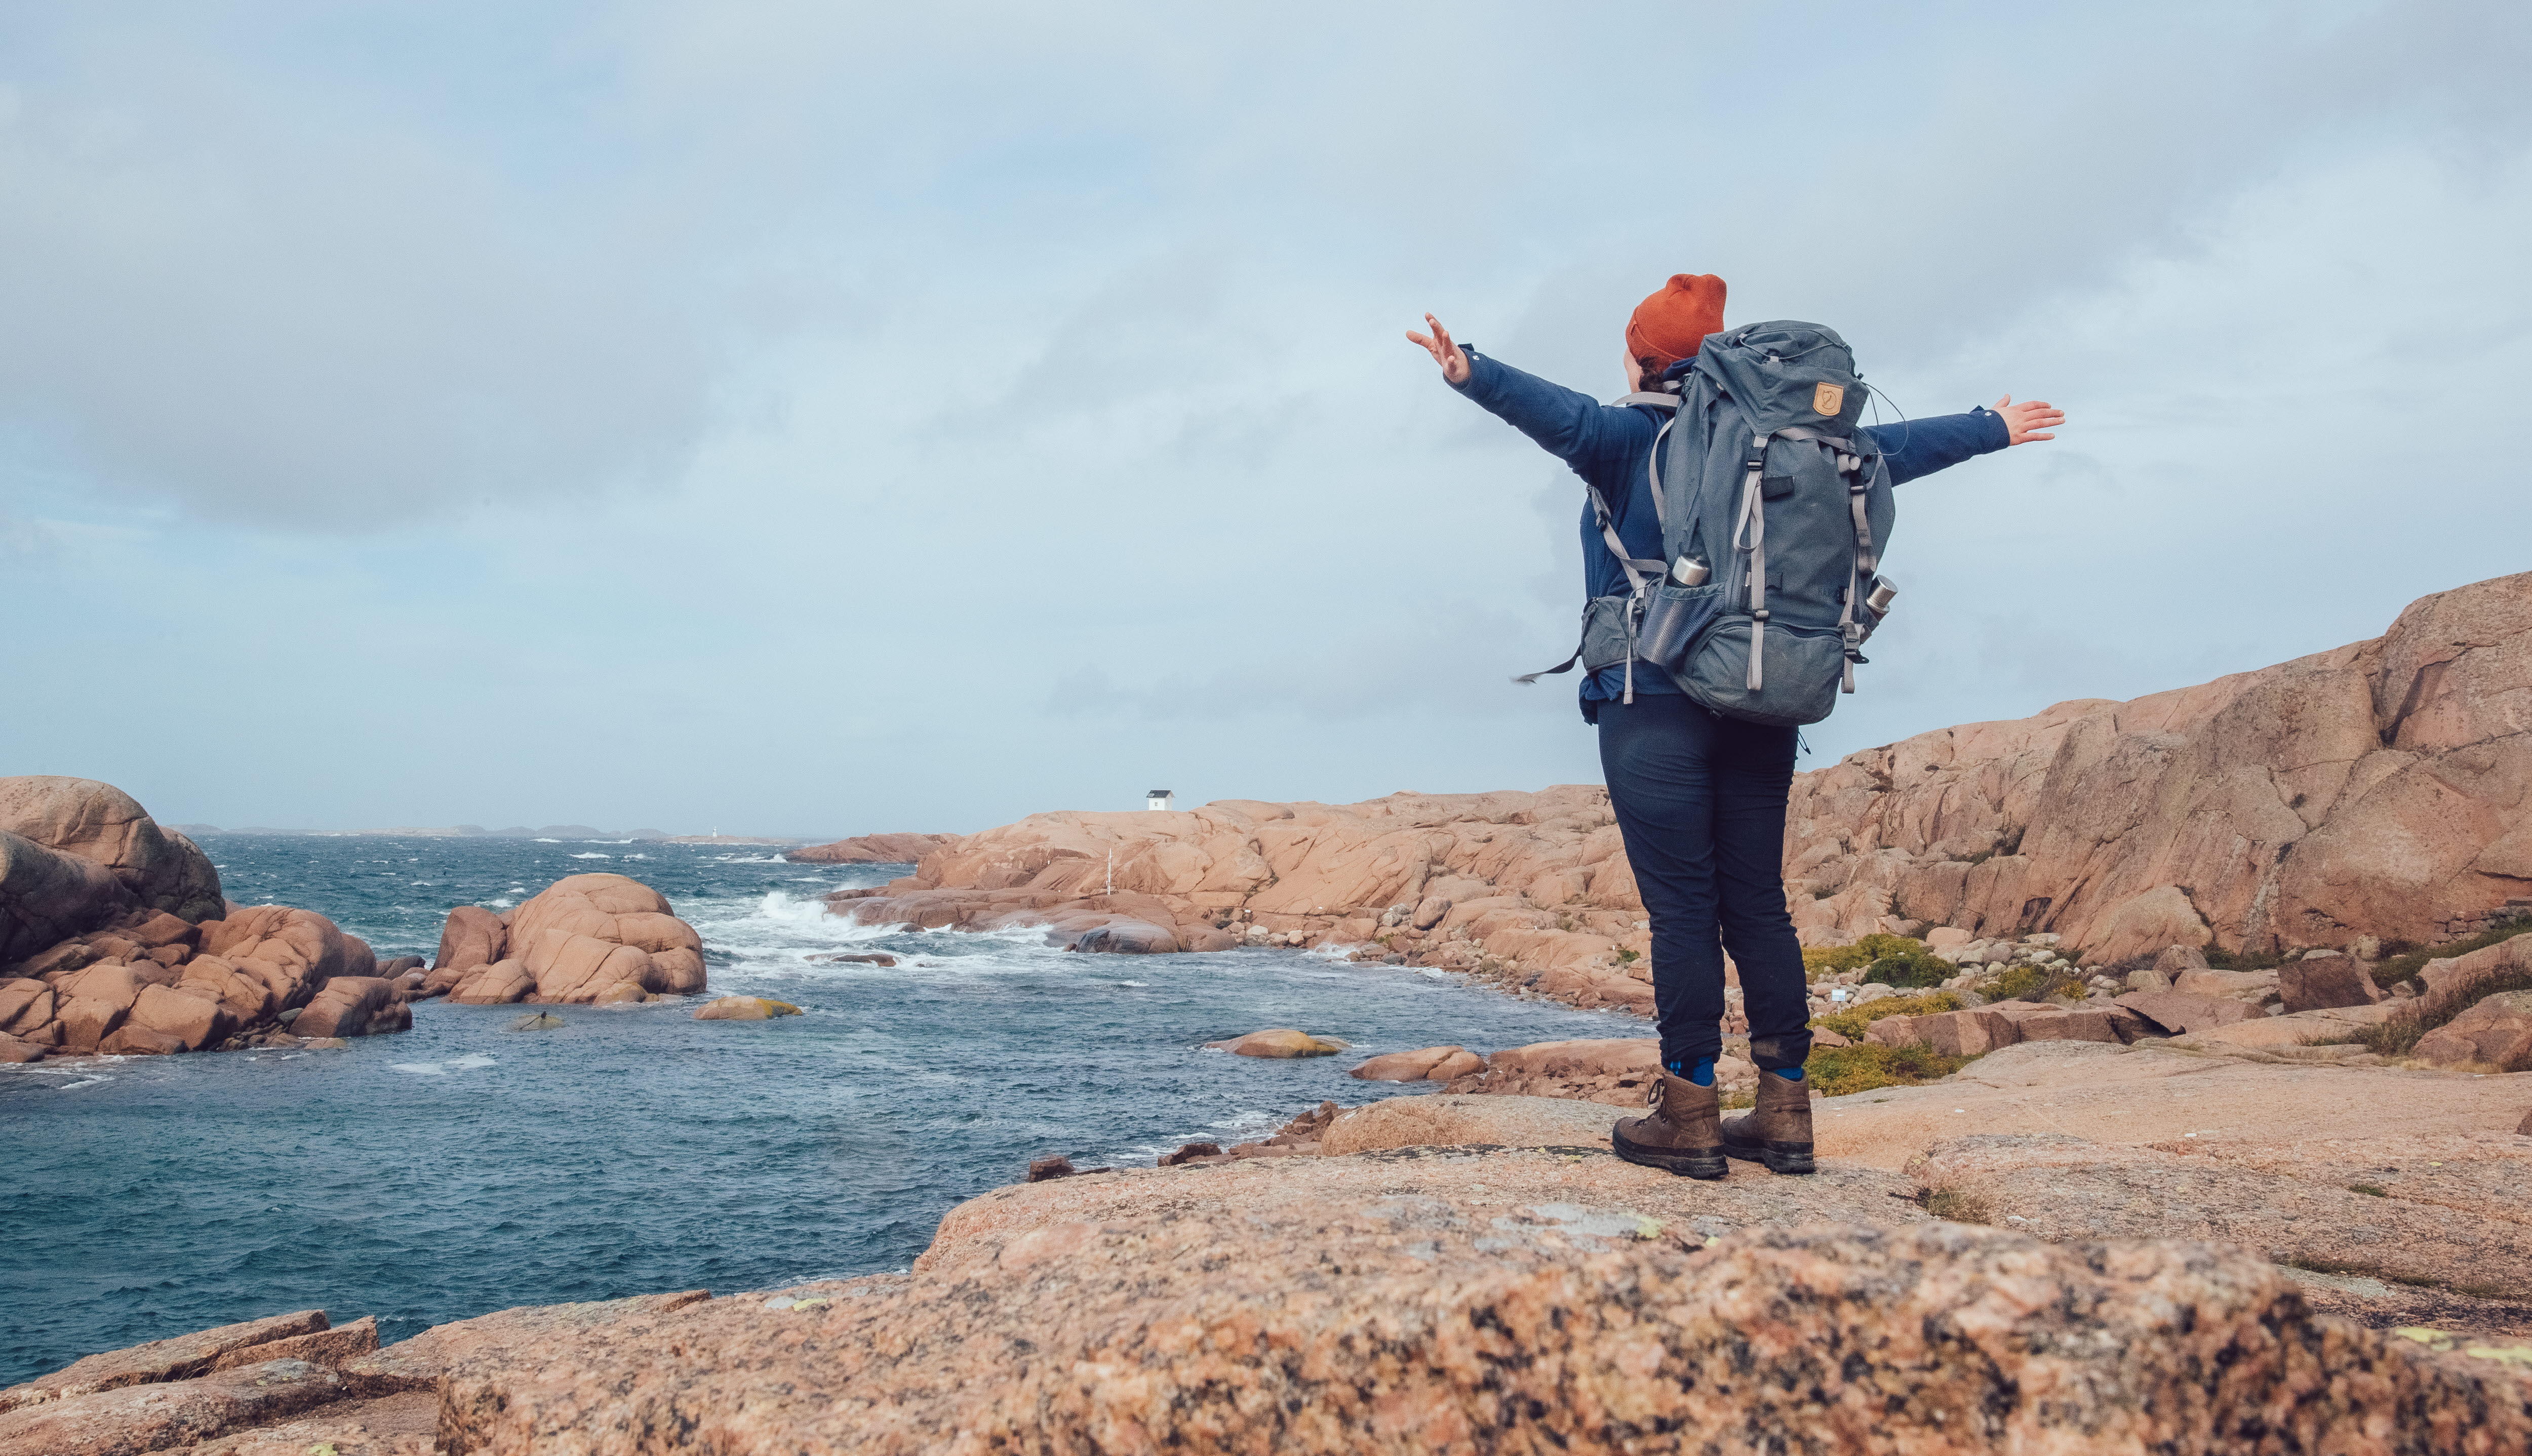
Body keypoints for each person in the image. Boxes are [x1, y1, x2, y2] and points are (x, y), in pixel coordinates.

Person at [1408, 273, 2062, 1179]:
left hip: (1652, 701)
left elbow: (1547, 411)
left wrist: (1468, 369)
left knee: (1683, 910)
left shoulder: (1620, 434)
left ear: (1641, 356)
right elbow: (1891, 450)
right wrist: (1990, 427)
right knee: (1758, 905)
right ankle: (1786, 1113)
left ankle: (1688, 1114)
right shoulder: (1794, 443)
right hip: (1765, 694)